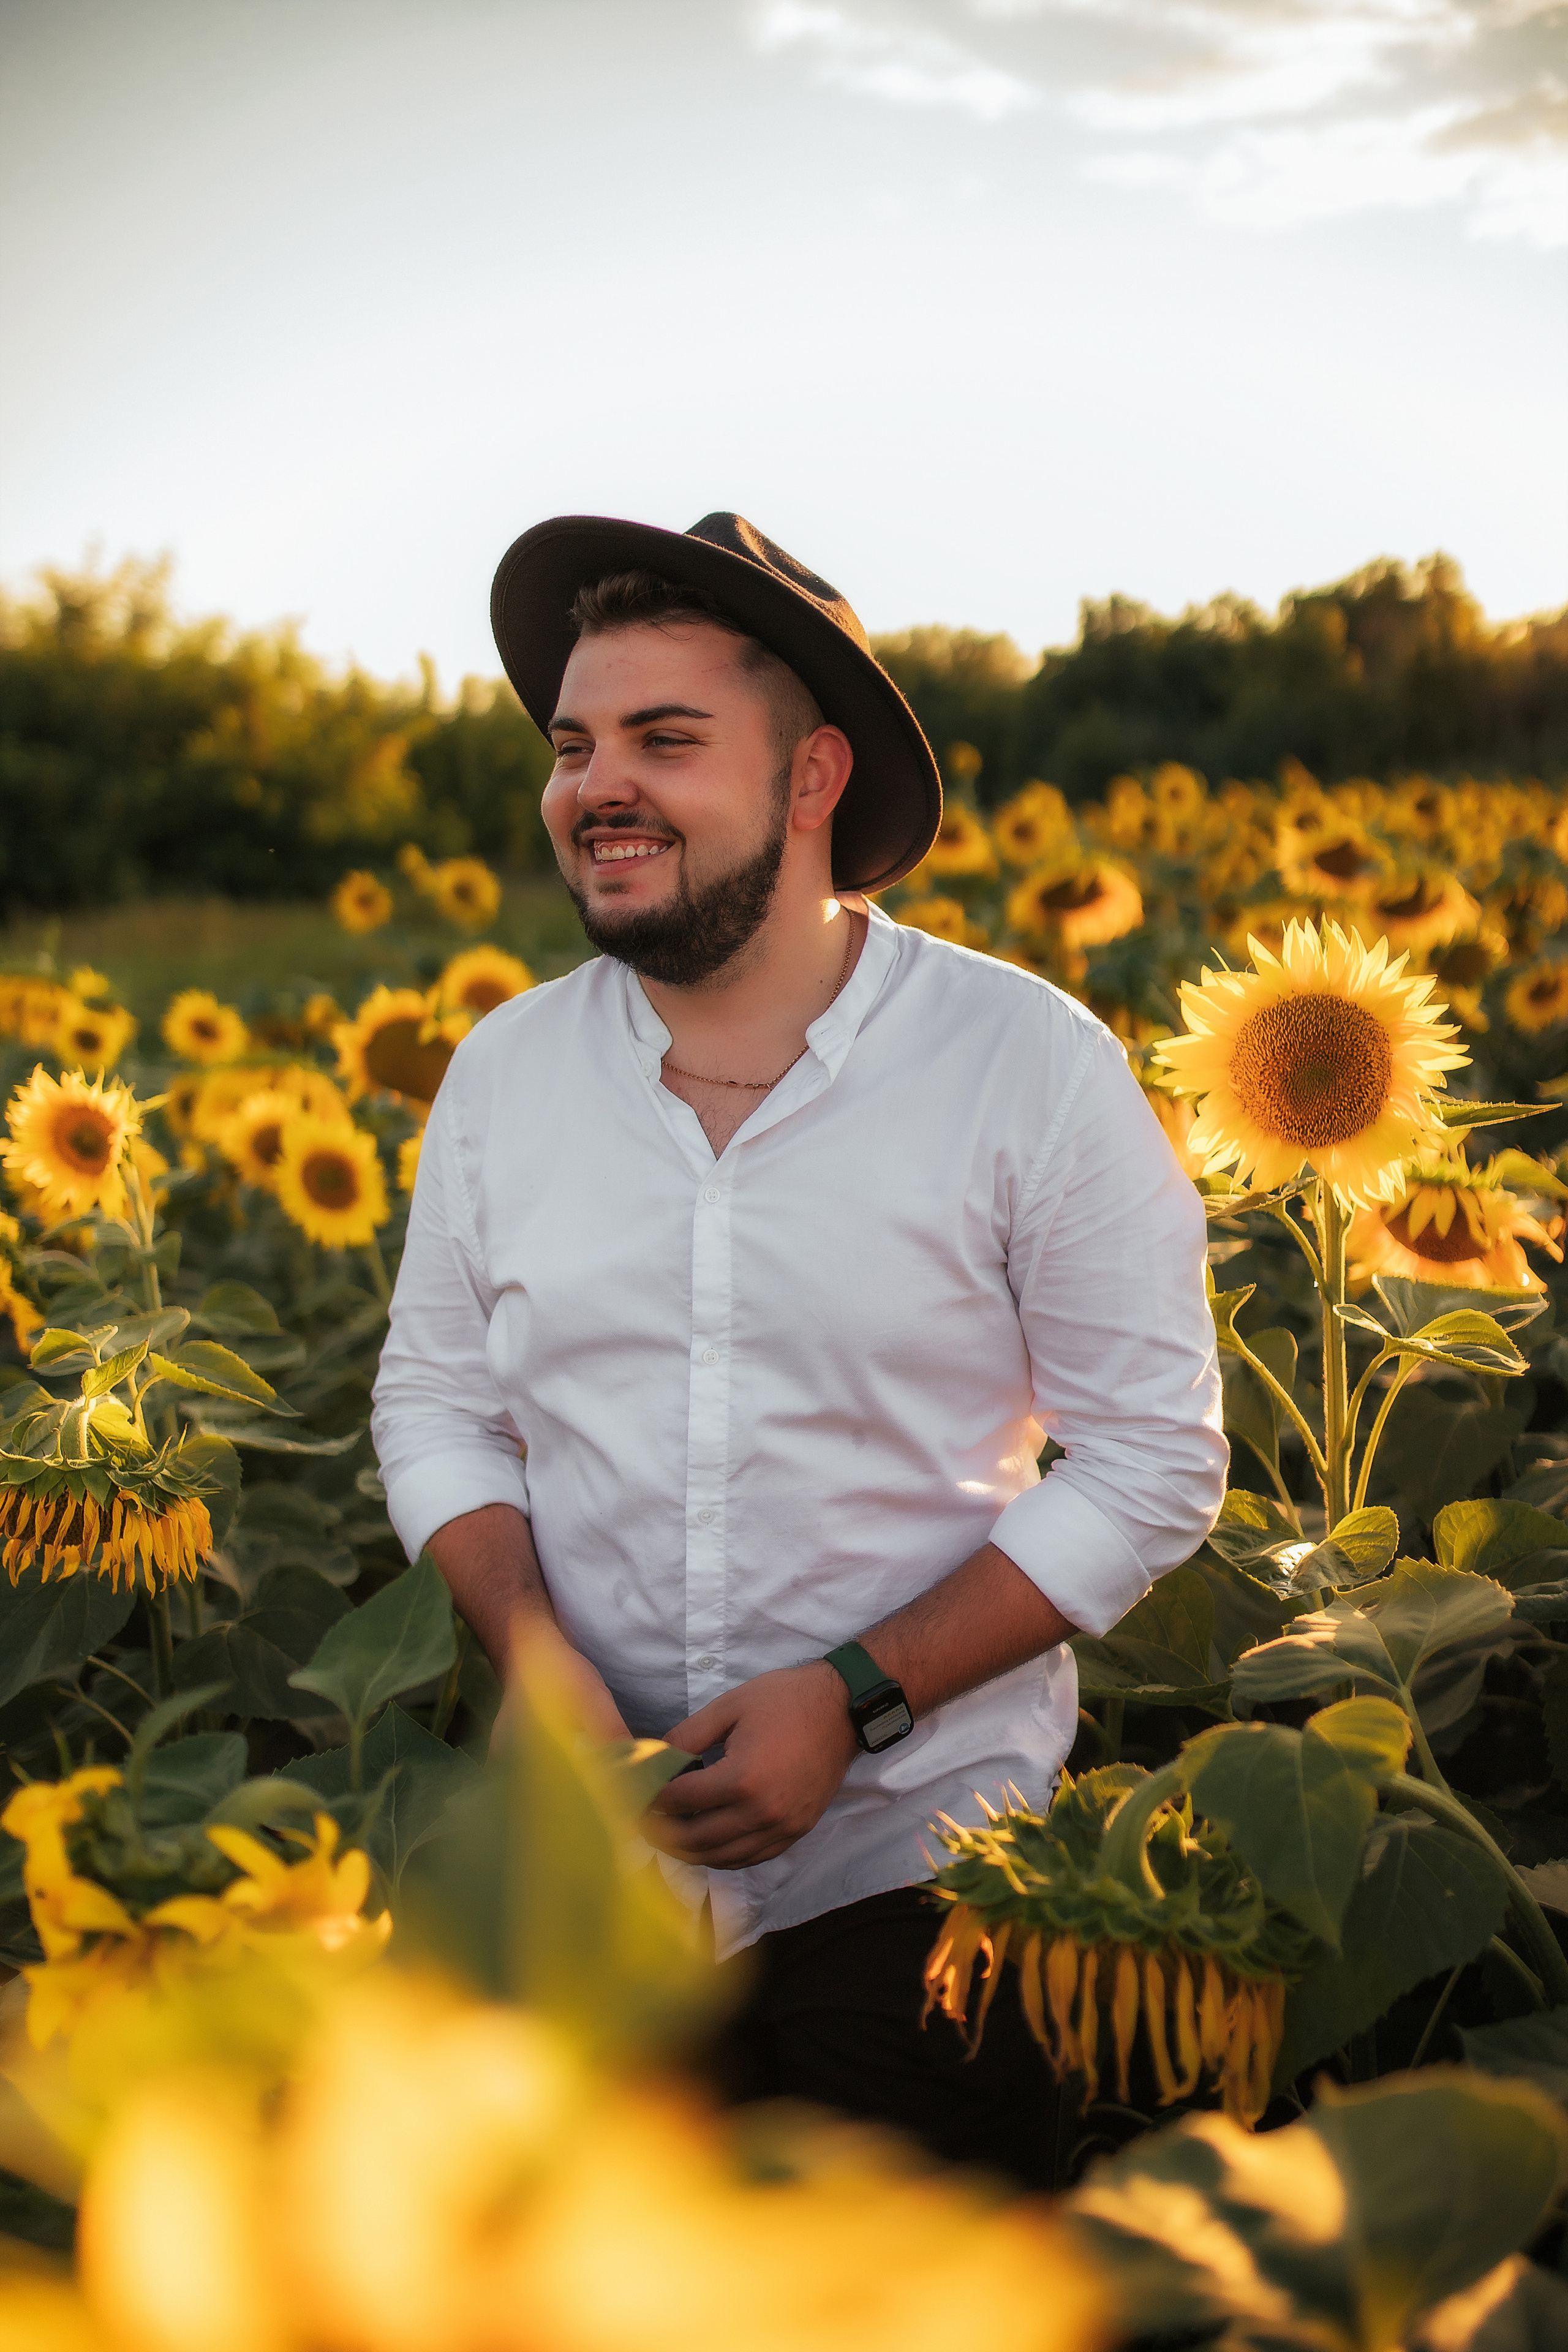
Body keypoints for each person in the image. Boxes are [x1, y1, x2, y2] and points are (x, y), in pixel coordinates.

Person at [371, 511, 1226, 2184]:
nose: (594, 785)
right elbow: (437, 1402)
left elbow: (1150, 1458)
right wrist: (533, 1654)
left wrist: (856, 1698)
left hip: (927, 1887)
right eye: (573, 744)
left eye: (664, 740)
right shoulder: (504, 1078)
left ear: (814, 775)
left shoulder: (1023, 1065)